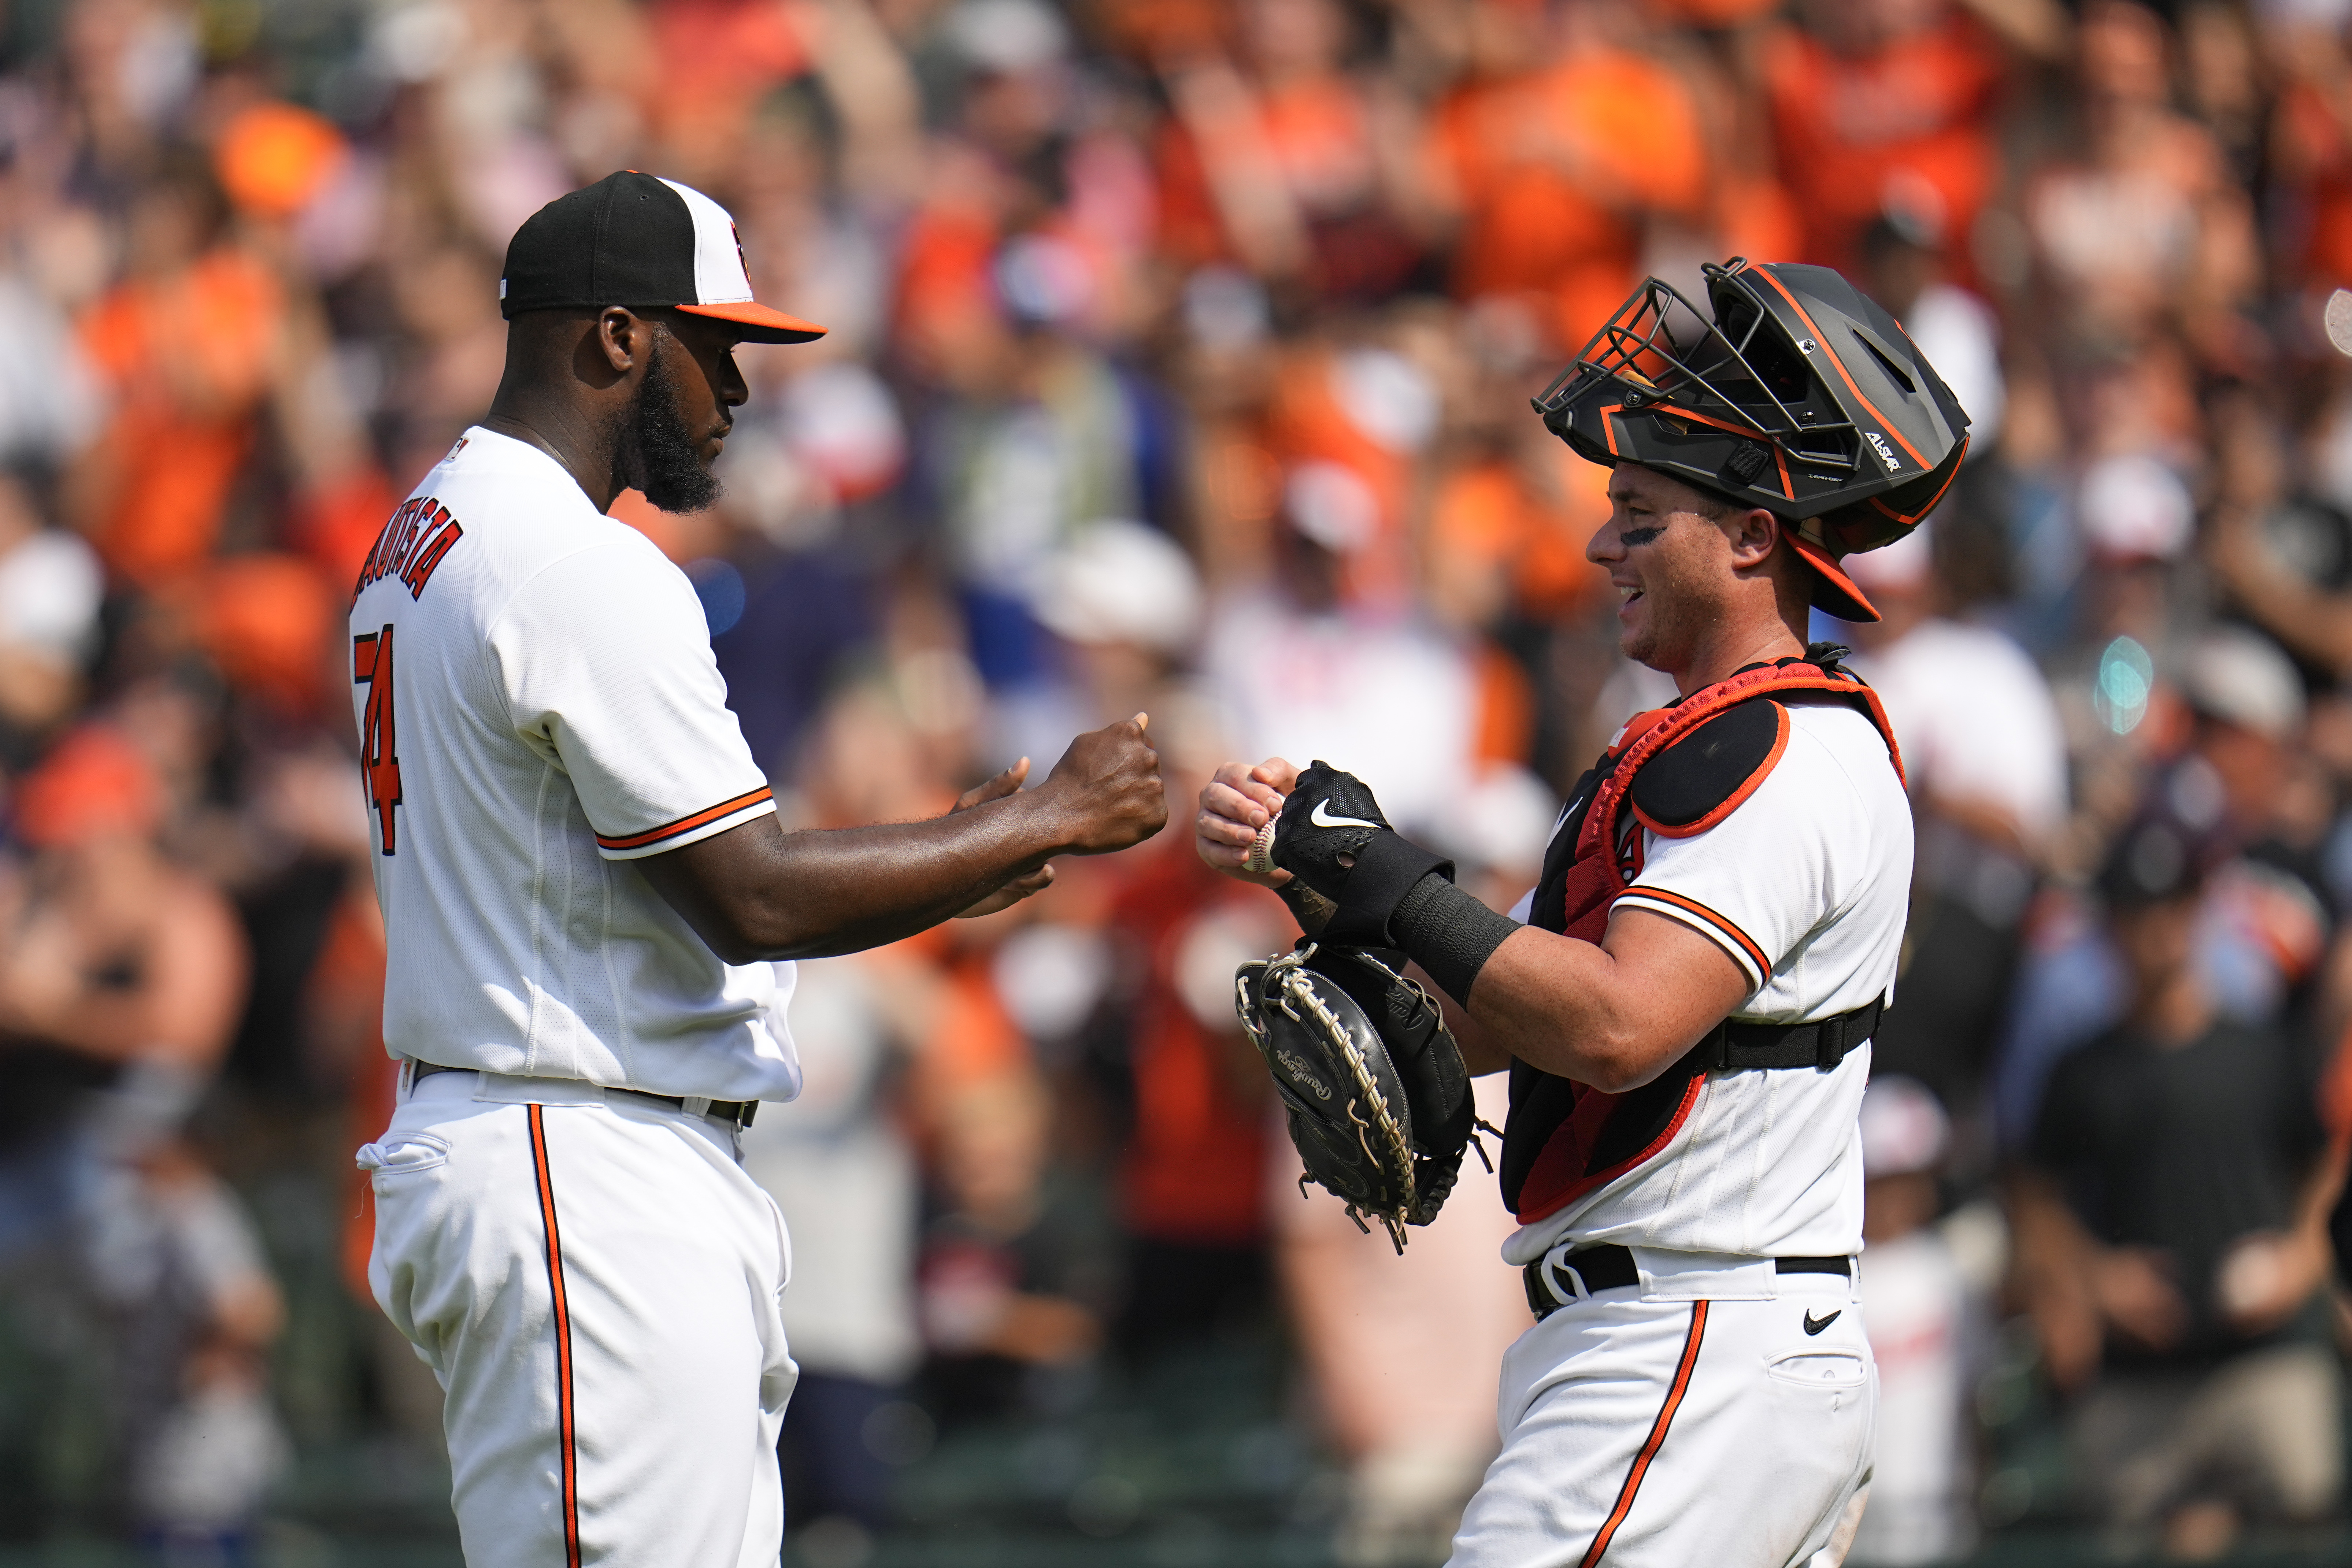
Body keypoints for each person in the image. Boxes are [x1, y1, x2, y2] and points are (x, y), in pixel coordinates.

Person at [349, 171, 1167, 1568]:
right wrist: (1049, 817)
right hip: (579, 1159)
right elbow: (755, 892)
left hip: (564, 1133)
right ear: (616, 338)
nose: (736, 388)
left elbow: (670, 878)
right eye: (715, 346)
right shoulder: (572, 563)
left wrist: (945, 859)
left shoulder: (431, 530)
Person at [1197, 260, 1968, 1566]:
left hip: (1690, 1336)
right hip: (1679, 1340)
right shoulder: (1695, 744)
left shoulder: (1776, 749)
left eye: (1640, 512)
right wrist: (1334, 900)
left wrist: (1389, 877)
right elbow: (1506, 1020)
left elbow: (1618, 1029)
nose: (1603, 542)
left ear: (1751, 535)